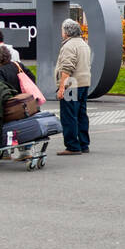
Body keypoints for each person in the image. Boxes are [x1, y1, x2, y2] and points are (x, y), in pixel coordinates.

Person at [55, 18, 92, 155]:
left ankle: (72, 146)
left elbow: (67, 68)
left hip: (71, 84)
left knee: (69, 115)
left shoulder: (69, 46)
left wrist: (61, 87)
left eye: (62, 30)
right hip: (84, 83)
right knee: (81, 114)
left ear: (66, 32)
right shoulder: (84, 44)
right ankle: (84, 144)